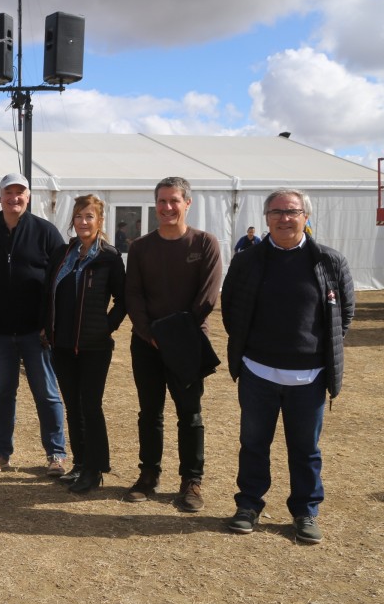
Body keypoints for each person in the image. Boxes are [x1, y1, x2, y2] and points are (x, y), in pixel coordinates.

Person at [222, 189, 354, 544]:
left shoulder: (329, 261)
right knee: (253, 444)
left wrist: (315, 353)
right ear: (266, 218)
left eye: (292, 211)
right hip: (258, 372)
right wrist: (250, 353)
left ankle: (305, 511)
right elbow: (231, 308)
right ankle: (248, 505)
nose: (284, 218)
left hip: (309, 377)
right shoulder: (247, 261)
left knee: (306, 450)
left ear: (305, 217)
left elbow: (344, 315)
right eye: (276, 212)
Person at [124, 176, 222, 511]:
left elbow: (207, 297)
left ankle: (191, 481)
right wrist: (149, 333)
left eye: (174, 200)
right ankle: (148, 474)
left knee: (190, 414)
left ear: (187, 203)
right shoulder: (140, 247)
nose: (167, 207)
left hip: (188, 343)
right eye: (162, 201)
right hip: (146, 343)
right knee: (149, 412)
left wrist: (174, 334)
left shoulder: (205, 243)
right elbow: (133, 294)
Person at [0, 173, 68, 477]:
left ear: (28, 197)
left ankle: (56, 454)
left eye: (20, 192)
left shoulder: (46, 232)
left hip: (36, 333)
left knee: (47, 393)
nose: (14, 198)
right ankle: (0, 454)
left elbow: (61, 279)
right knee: (2, 393)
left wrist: (49, 323)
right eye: (9, 192)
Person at [41, 195, 126, 493]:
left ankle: (95, 469)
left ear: (100, 221)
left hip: (94, 346)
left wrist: (106, 326)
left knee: (90, 406)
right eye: (78, 216)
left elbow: (123, 299)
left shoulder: (109, 257)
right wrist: (48, 328)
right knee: (73, 407)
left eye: (89, 216)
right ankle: (79, 463)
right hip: (62, 345)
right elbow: (48, 292)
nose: (83, 222)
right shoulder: (63, 254)